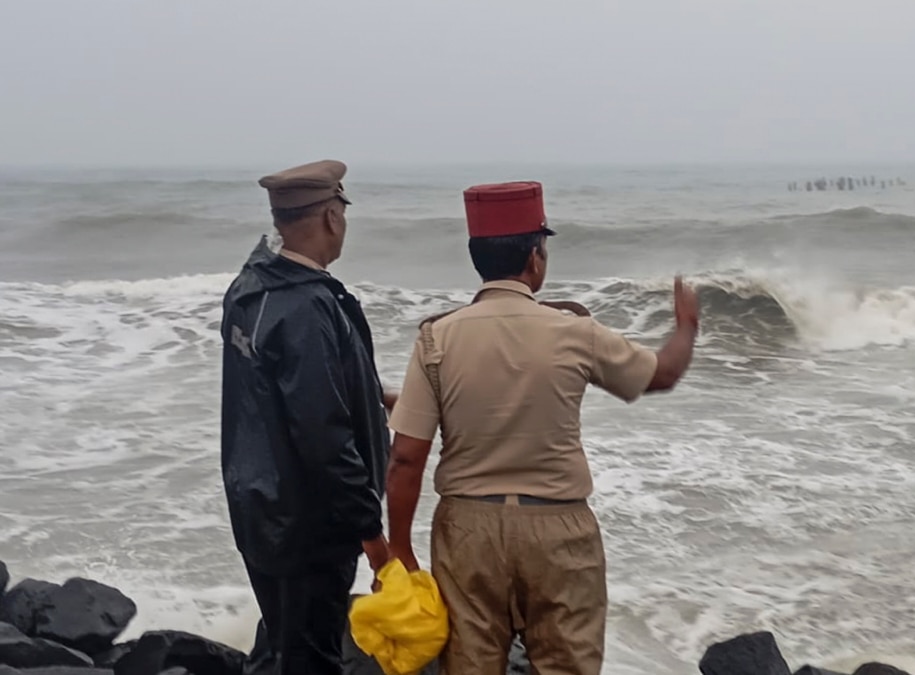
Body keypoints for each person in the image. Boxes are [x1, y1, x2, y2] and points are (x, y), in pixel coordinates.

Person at [383, 180, 700, 674]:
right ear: (535, 259)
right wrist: (685, 328)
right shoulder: (575, 332)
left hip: (467, 531)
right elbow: (661, 374)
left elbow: (406, 455)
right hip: (558, 529)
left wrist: (397, 548)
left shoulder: (436, 337)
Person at [219, 159, 393, 675]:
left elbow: (281, 387)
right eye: (342, 210)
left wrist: (374, 395)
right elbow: (323, 434)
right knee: (314, 655)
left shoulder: (251, 289)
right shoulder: (307, 305)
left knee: (285, 640)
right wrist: (372, 533)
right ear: (331, 217)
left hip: (258, 503)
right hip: (308, 520)